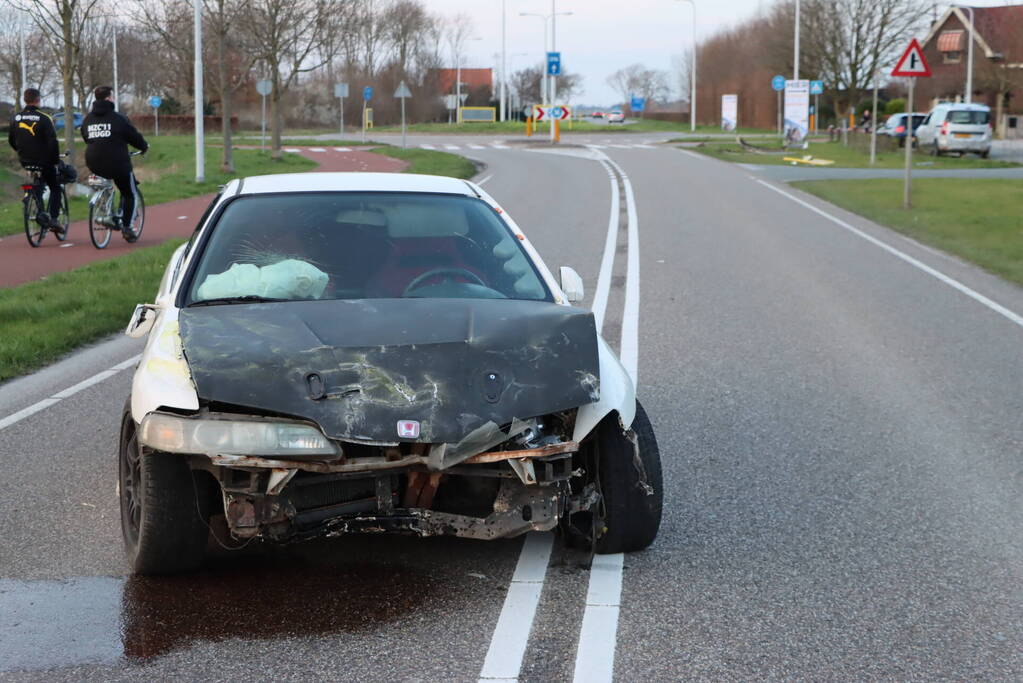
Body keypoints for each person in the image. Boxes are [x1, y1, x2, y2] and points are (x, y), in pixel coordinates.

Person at [81, 85, 148, 233]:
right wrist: (143, 147)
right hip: (117, 163)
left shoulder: (88, 119)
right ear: (109, 98)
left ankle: (106, 210)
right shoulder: (119, 118)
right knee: (129, 193)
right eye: (113, 96)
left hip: (93, 162)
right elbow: (133, 137)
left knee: (105, 182)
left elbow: (85, 137)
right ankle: (127, 227)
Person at [8, 88, 62, 228]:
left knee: (37, 186)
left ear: (25, 100)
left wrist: (21, 152)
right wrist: (55, 161)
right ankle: (54, 219)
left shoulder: (16, 118)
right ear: (38, 100)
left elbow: (12, 140)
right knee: (55, 187)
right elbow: (52, 142)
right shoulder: (44, 118)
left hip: (25, 160)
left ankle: (39, 210)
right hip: (43, 161)